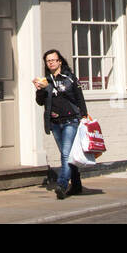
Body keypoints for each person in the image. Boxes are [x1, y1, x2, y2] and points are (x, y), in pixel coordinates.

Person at [33, 49, 87, 199]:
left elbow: (79, 97)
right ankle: (76, 185)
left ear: (59, 61)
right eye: (48, 61)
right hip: (55, 122)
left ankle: (62, 184)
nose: (50, 63)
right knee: (68, 155)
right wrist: (39, 90)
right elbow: (40, 102)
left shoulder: (69, 78)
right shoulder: (46, 81)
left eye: (53, 60)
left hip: (71, 120)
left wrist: (84, 115)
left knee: (65, 154)